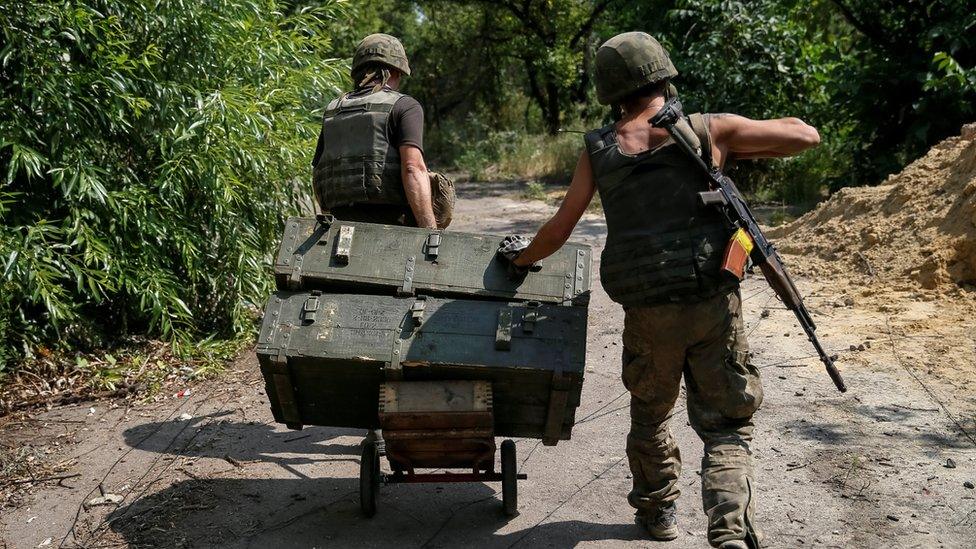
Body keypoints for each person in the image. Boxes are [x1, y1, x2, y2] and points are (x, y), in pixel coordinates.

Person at [495, 32, 821, 549]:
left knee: (650, 416)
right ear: (664, 75)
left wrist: (519, 258)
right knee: (726, 424)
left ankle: (658, 514)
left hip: (647, 313)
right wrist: (730, 141)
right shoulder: (707, 130)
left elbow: (558, 230)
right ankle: (730, 531)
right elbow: (806, 136)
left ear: (611, 92)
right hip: (712, 306)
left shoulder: (598, 149)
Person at [311, 33, 454, 230]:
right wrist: (430, 233)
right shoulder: (405, 106)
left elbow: (319, 172)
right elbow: (413, 168)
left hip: (340, 226)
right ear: (395, 71)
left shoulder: (333, 110)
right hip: (392, 227)